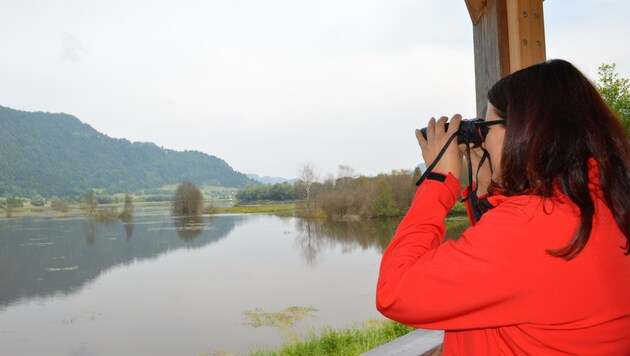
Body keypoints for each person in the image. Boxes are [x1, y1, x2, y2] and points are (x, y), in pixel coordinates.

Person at [376, 59, 630, 355]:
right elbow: (511, 278)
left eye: (486, 127)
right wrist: (485, 189)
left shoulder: (528, 228)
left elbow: (394, 292)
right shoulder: (599, 201)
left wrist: (438, 180)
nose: (483, 139)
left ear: (524, 131)